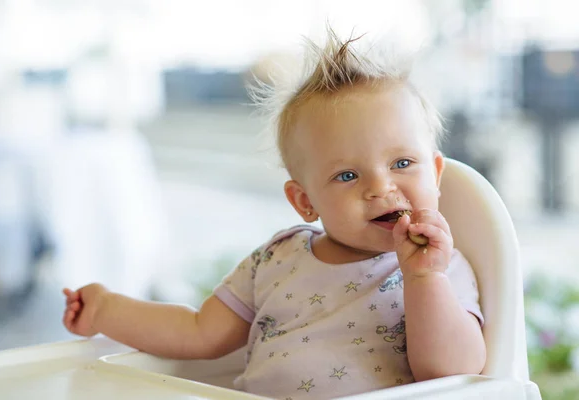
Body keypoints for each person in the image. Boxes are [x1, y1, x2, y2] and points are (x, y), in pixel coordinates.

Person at [62, 29, 486, 399]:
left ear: (434, 172)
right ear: (305, 201)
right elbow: (198, 332)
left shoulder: (438, 266)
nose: (380, 187)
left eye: (401, 164)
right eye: (348, 175)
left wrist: (423, 279)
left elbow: (453, 373)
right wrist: (105, 310)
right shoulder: (277, 259)